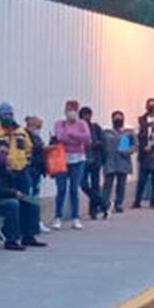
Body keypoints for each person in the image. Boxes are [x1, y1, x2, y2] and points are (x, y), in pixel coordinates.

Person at [0, 140, 46, 250]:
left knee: (31, 201)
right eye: (2, 153)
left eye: (7, 154)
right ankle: (11, 240)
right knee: (12, 204)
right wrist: (13, 193)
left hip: (3, 196)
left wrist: (9, 173)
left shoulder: (1, 166)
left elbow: (10, 184)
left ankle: (29, 236)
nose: (5, 156)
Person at [52, 99, 91, 230]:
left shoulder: (82, 123)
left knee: (74, 189)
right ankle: (57, 217)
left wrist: (71, 134)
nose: (71, 112)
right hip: (62, 159)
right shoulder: (59, 124)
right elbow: (60, 137)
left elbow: (86, 138)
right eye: (69, 110)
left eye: (74, 110)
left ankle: (75, 217)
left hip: (78, 159)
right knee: (61, 189)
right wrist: (75, 138)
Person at [0, 102, 33, 197]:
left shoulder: (21, 131)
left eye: (9, 114)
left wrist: (26, 163)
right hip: (5, 171)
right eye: (4, 115)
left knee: (25, 197)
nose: (7, 117)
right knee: (12, 197)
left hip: (21, 170)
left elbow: (29, 148)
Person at [78, 106, 109, 219]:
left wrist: (95, 143)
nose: (86, 117)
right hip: (82, 160)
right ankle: (103, 203)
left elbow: (103, 141)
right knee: (83, 185)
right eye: (84, 115)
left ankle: (93, 211)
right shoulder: (78, 128)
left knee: (95, 185)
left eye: (88, 114)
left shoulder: (95, 128)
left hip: (95, 159)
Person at [102, 110, 135, 214]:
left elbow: (135, 145)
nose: (118, 120)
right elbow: (102, 145)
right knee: (107, 184)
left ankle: (119, 203)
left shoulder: (128, 132)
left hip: (123, 161)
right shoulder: (106, 132)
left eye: (120, 118)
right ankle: (104, 203)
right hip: (110, 161)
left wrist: (127, 151)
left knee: (121, 184)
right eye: (116, 118)